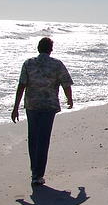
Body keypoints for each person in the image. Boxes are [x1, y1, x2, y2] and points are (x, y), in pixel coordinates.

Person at [11, 37, 74, 186]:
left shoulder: (28, 63)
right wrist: (69, 99)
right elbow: (66, 84)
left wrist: (15, 108)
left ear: (38, 48)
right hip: (49, 106)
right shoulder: (57, 65)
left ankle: (35, 172)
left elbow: (21, 86)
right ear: (50, 49)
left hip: (32, 106)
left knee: (33, 138)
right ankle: (38, 174)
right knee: (43, 139)